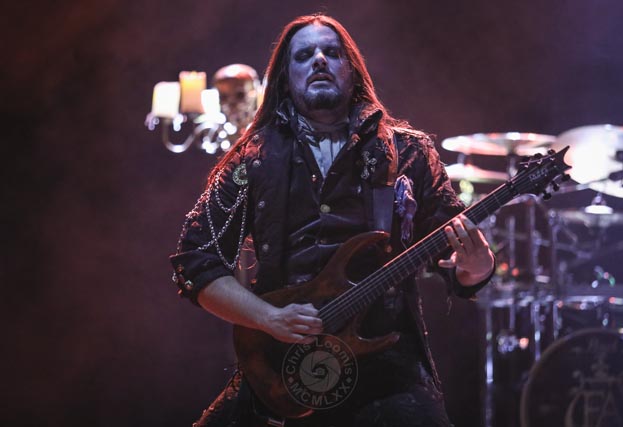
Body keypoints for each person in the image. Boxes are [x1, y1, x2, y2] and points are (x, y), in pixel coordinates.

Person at [170, 13, 494, 427]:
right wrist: (268, 318)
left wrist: (477, 267)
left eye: (332, 52)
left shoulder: (409, 153)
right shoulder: (252, 158)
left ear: (352, 70)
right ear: (286, 78)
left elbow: (455, 261)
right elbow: (195, 261)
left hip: (387, 368)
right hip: (282, 364)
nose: (319, 60)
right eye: (304, 55)